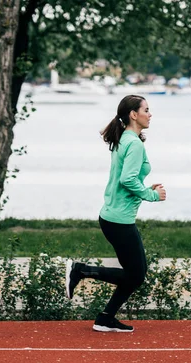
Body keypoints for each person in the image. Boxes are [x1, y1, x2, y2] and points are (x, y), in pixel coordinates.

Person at [65, 94, 166, 332]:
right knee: (137, 274)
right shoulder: (134, 143)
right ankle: (79, 270)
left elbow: (129, 179)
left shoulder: (126, 139)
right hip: (118, 220)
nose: (150, 114)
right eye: (146, 110)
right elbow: (127, 179)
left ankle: (105, 318)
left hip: (113, 216)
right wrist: (151, 195)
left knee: (135, 274)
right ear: (134, 114)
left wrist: (144, 186)